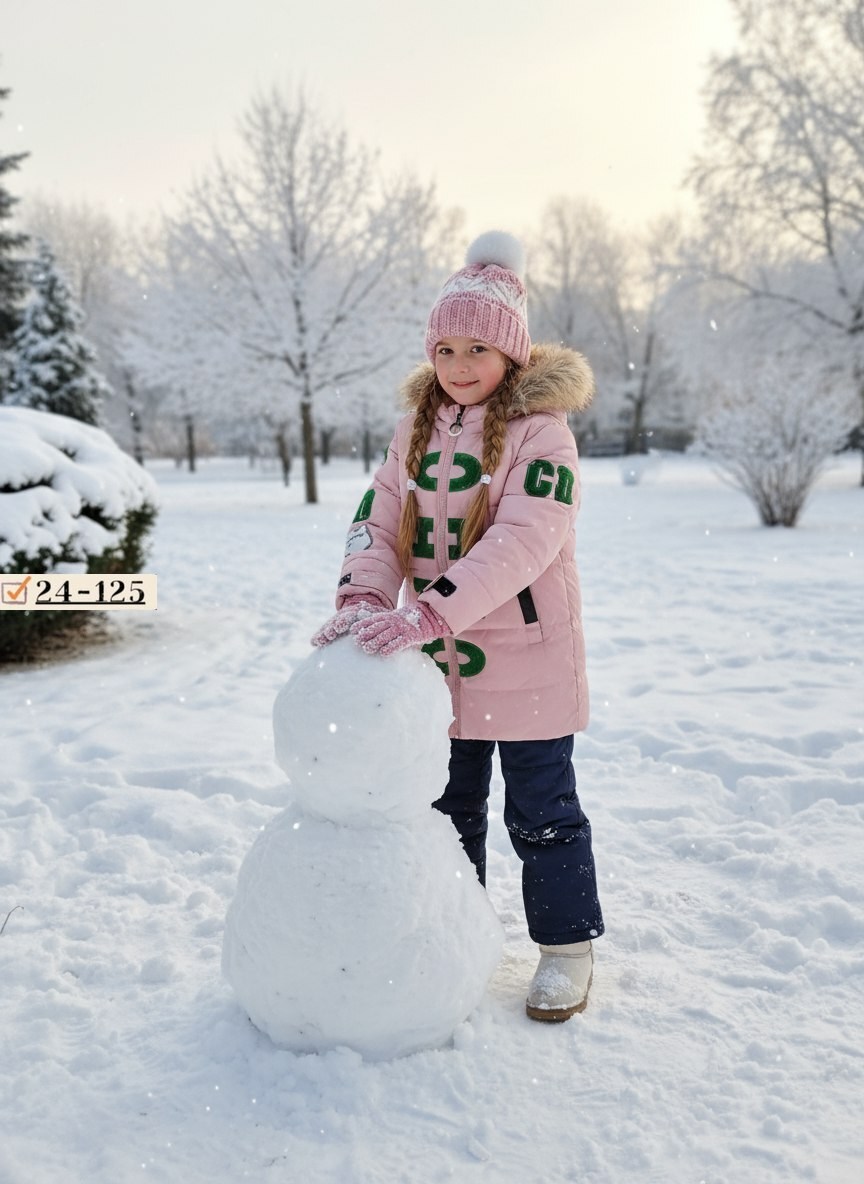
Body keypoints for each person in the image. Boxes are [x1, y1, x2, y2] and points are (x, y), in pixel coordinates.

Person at [311, 231, 604, 1022]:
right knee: (447, 813)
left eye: (478, 345)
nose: (458, 363)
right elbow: (375, 523)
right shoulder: (413, 431)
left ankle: (566, 951)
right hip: (434, 665)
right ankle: (460, 938)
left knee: (541, 814)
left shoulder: (544, 433)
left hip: (529, 666)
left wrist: (432, 607)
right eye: (444, 346)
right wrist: (364, 602)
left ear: (511, 352)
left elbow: (525, 541)